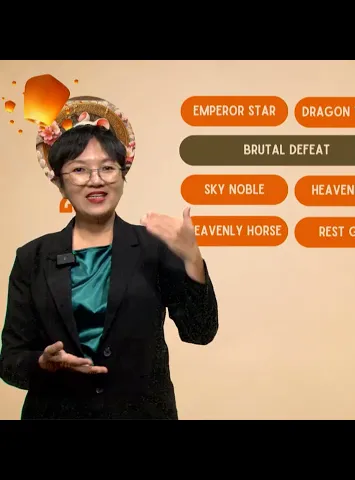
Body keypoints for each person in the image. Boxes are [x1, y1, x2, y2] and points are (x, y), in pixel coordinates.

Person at [0, 108, 218, 419]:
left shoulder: (154, 247)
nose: (96, 180)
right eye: (79, 170)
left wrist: (192, 258)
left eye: (107, 168)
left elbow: (200, 332)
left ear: (122, 176)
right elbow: (10, 361)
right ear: (60, 184)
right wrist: (43, 364)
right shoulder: (32, 257)